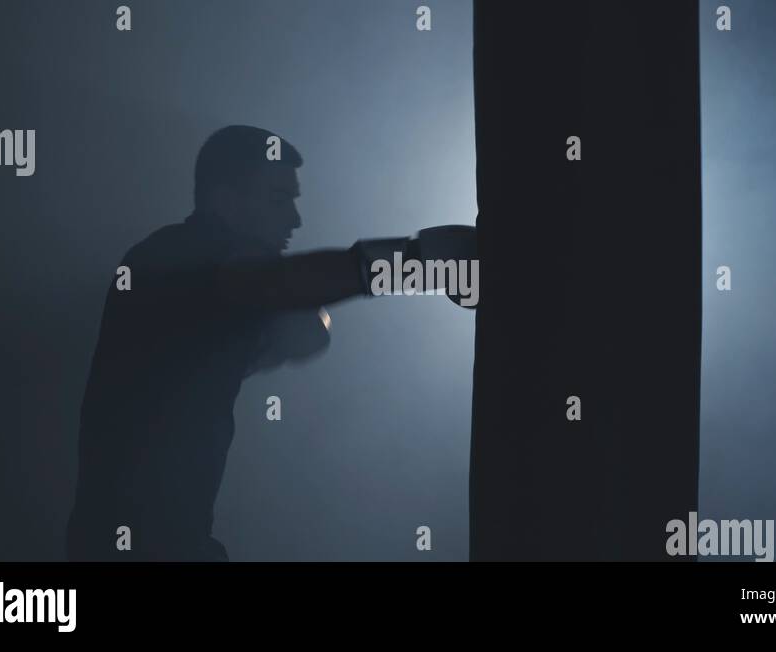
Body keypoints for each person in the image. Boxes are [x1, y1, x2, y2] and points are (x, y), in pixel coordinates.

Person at [66, 125, 475, 561]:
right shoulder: (175, 253)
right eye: (279, 200)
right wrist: (418, 261)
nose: (295, 219)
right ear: (225, 199)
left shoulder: (209, 290)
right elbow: (280, 286)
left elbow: (303, 324)